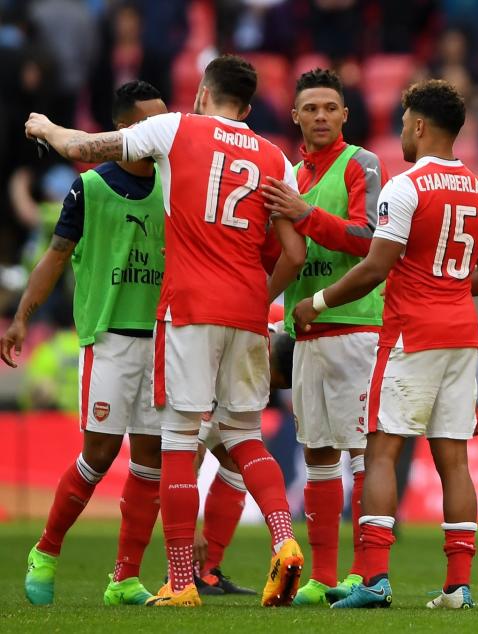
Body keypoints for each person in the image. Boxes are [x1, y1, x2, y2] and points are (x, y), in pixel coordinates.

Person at [24, 54, 307, 608]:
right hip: (248, 314)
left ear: (202, 92)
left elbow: (84, 150)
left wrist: (44, 126)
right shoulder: (277, 157)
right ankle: (285, 540)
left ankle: (180, 582)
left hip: (190, 309)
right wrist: (257, 298)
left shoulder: (177, 128)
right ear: (249, 106)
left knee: (176, 440)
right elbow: (294, 253)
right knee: (244, 435)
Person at [287, 79, 478, 609]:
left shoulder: (405, 188)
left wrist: (313, 304)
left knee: (381, 449)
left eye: (405, 122)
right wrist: (443, 281)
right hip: (461, 337)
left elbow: (374, 267)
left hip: (412, 333)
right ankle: (458, 585)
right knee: (454, 459)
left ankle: (374, 579)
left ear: (421, 126)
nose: (401, 131)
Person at [3, 81, 167, 607]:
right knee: (98, 455)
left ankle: (124, 578)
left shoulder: (174, 183)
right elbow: (54, 257)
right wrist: (21, 317)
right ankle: (46, 550)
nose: (162, 133)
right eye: (149, 123)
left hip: (162, 339)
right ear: (122, 132)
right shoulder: (90, 187)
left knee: (151, 461)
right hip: (109, 337)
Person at [261, 67, 387, 607]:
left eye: (329, 108)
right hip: (305, 333)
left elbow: (368, 241)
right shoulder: (290, 176)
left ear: (344, 115)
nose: (319, 117)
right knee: (316, 454)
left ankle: (361, 575)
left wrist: (306, 215)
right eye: (309, 108)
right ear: (294, 116)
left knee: (360, 453)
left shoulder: (362, 164)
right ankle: (324, 576)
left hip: (356, 326)